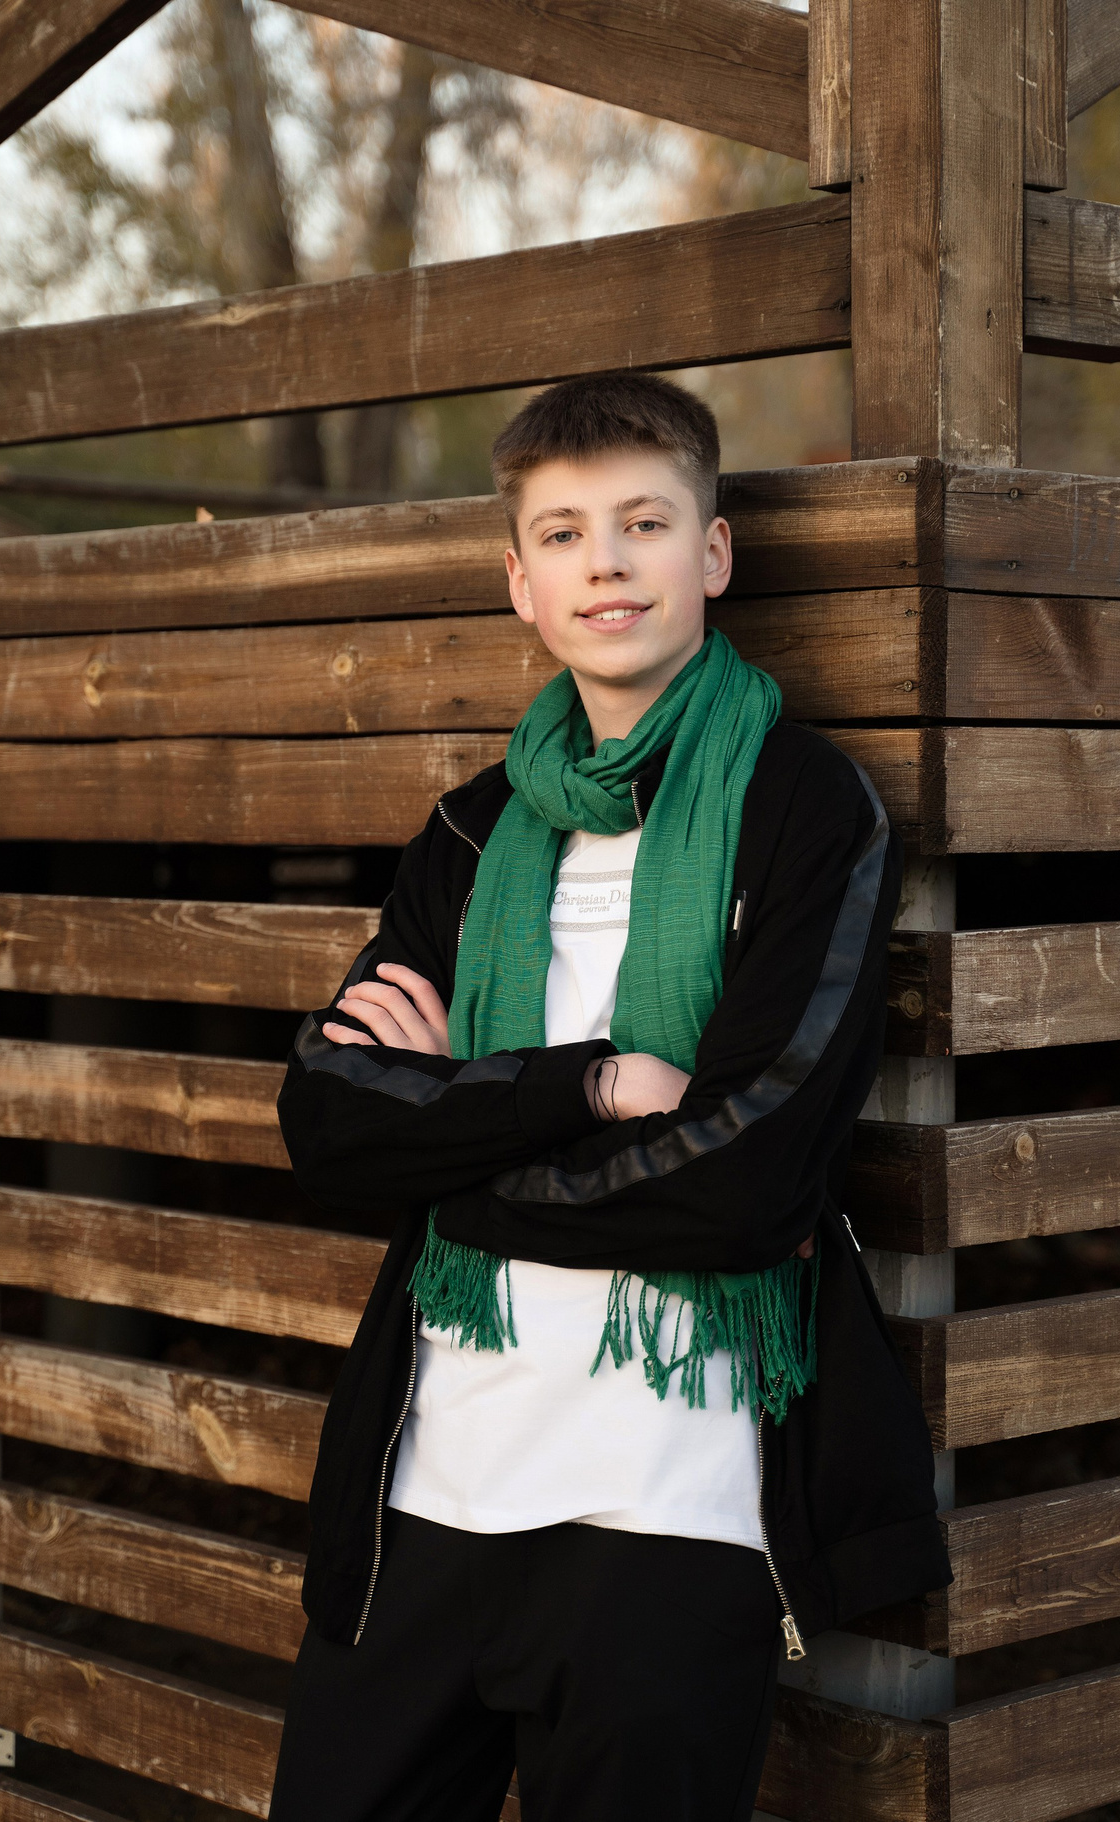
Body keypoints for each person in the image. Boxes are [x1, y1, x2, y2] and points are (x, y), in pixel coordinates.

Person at [264, 373, 947, 1820]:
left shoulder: (807, 807)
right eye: (565, 533)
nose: (607, 561)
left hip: (667, 1517)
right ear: (521, 582)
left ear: (711, 554)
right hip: (426, 1494)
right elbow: (330, 1117)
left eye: (645, 522)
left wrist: (458, 1134)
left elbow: (756, 1174)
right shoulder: (471, 831)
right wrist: (591, 1083)